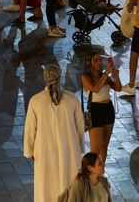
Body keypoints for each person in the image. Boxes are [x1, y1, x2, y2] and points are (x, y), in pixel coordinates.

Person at [24, 64, 84, 202]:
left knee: (46, 188)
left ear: (45, 78)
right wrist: (79, 149)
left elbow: (30, 130)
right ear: (60, 76)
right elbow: (79, 128)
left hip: (45, 152)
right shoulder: (72, 99)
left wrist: (30, 151)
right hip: (69, 151)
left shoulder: (36, 100)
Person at [81, 53, 121, 162]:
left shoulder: (103, 75)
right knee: (95, 149)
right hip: (95, 110)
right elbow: (96, 88)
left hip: (108, 109)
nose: (99, 62)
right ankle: (90, 172)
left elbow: (118, 88)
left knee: (104, 146)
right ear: (90, 63)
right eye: (96, 60)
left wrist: (116, 75)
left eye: (100, 60)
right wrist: (107, 73)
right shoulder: (85, 77)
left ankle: (100, 171)